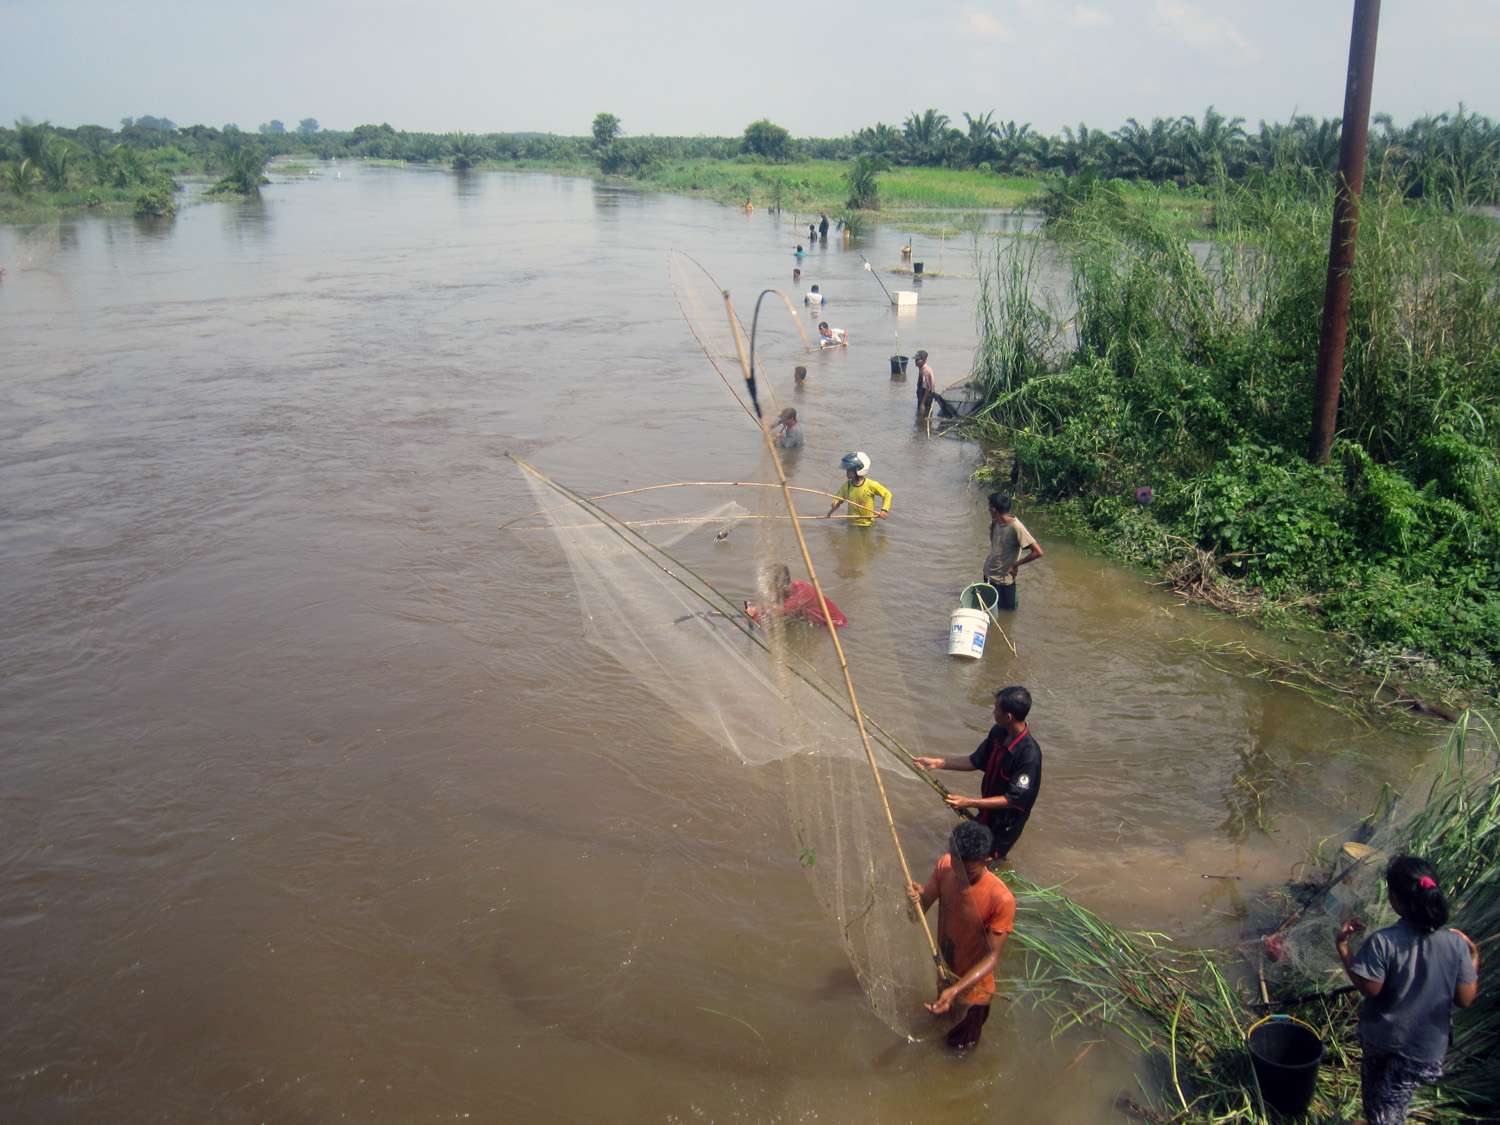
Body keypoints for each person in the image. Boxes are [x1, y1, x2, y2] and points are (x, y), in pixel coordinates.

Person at [1338, 856, 1480, 1125]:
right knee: (1389, 1104)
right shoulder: (1455, 944)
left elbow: (1369, 989)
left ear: (1395, 900)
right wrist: (1473, 957)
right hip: (1422, 1049)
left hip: (1379, 1037)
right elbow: (1466, 999)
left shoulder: (1383, 942)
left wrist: (1344, 946)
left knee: (1381, 1107)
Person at [906, 820, 1015, 1051]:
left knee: (958, 1051)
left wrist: (956, 990)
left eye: (969, 872)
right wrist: (915, 901)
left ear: (986, 862)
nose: (961, 876)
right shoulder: (945, 867)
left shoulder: (1001, 899)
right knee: (937, 1032)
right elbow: (916, 917)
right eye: (958, 868)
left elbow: (992, 957)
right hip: (945, 976)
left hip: (972, 993)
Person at [914, 686, 1040, 861]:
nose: (993, 712)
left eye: (996, 708)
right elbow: (975, 761)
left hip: (1004, 826)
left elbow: (1012, 800)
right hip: (987, 814)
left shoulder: (1029, 756)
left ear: (1008, 716)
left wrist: (970, 802)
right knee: (962, 853)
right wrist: (937, 763)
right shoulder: (998, 733)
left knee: (983, 863)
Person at [982, 491, 1042, 611]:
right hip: (988, 574)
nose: (987, 508)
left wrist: (1016, 564)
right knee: (989, 609)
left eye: (989, 506)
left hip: (1005, 579)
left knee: (1009, 612)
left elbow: (1038, 552)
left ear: (994, 509)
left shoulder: (1016, 527)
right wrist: (992, 553)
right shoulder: (995, 522)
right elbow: (993, 536)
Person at [745, 563, 847, 627]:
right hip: (813, 623)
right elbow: (771, 611)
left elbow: (783, 610)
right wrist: (748, 622)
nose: (766, 586)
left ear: (777, 583)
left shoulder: (802, 591)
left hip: (834, 625)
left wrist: (756, 609)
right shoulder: (782, 592)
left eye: (768, 582)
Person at [826, 451, 891, 527]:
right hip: (850, 524)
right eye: (847, 469)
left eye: (851, 469)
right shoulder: (846, 485)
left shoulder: (871, 485)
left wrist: (884, 510)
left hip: (867, 525)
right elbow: (837, 500)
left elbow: (887, 495)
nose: (847, 471)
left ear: (860, 469)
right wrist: (835, 504)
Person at [914, 350, 935, 418]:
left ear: (923, 360)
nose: (915, 362)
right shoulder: (922, 369)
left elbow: (927, 388)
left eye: (917, 360)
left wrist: (923, 403)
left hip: (926, 398)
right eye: (915, 360)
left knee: (923, 417)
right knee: (921, 419)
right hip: (924, 397)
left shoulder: (925, 371)